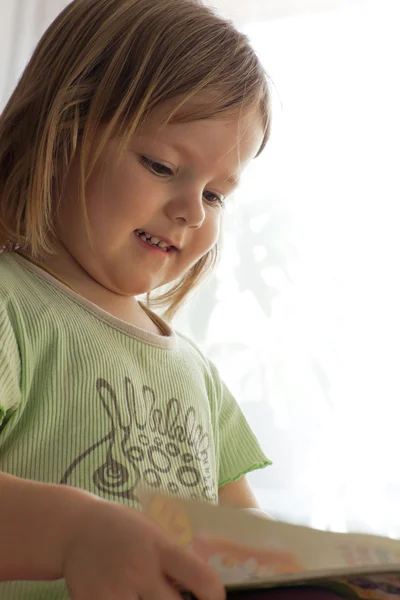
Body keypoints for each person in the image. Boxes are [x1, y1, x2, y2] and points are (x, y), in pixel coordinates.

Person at [0, 0, 272, 598]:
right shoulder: (9, 308)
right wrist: (72, 531)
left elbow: (254, 550)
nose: (193, 211)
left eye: (218, 195)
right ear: (63, 127)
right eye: (162, 165)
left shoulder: (198, 374)